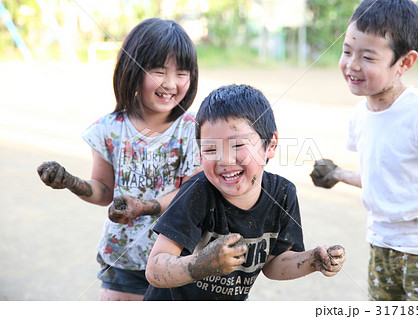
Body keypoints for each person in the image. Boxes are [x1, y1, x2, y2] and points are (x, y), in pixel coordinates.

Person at [36, 18, 202, 301]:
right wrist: (71, 182)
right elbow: (103, 190)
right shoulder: (109, 129)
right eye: (159, 71)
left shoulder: (193, 129)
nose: (170, 83)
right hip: (122, 257)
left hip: (176, 257)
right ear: (131, 69)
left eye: (181, 73)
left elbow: (190, 194)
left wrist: (144, 207)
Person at [143, 84, 346, 301]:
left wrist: (312, 260)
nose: (225, 160)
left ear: (271, 145)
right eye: (211, 149)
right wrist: (201, 264)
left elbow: (274, 264)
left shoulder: (283, 194)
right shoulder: (197, 192)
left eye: (238, 145)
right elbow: (155, 269)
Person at [310, 0, 418, 301]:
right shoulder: (361, 115)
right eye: (347, 51)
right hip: (381, 245)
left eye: (368, 57)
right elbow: (382, 175)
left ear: (404, 63)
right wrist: (337, 174)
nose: (352, 65)